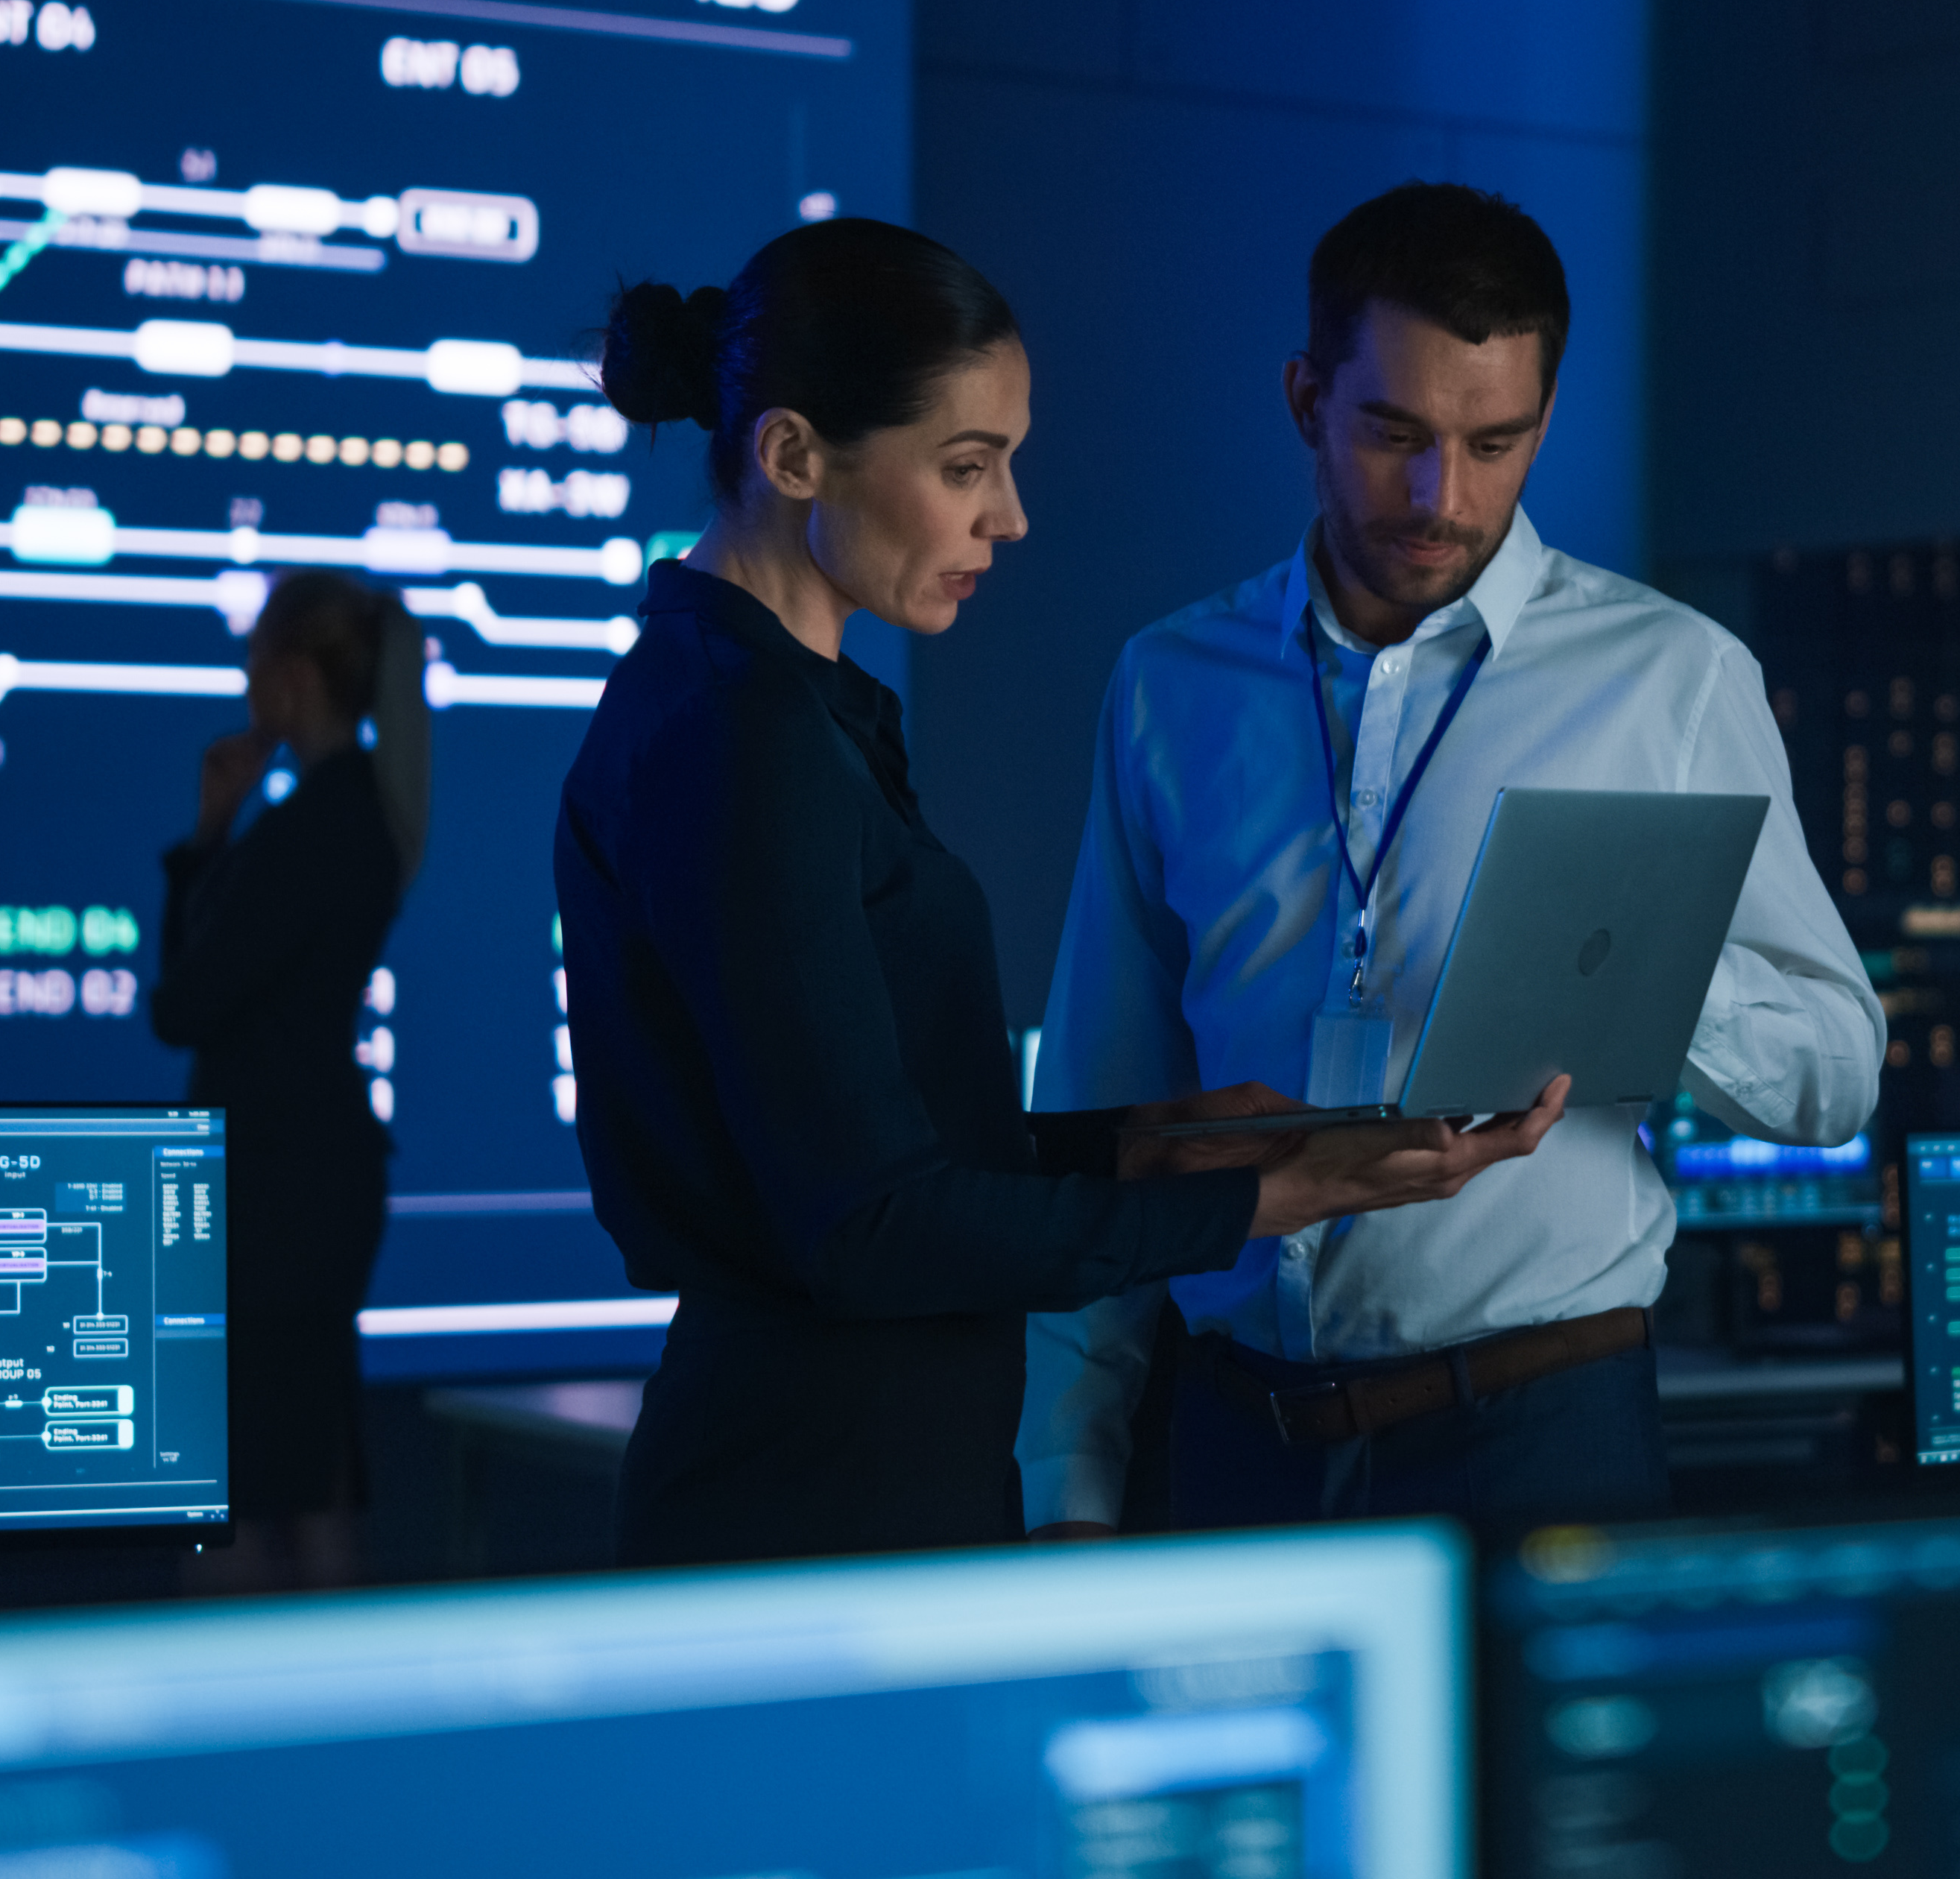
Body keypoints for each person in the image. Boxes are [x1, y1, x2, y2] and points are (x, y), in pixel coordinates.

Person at [560, 218, 1560, 1568]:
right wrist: (1266, 1203)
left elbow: (875, 1153)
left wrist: (1154, 1143)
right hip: (815, 1501)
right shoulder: (741, 736)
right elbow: (869, 1225)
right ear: (792, 455)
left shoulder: (776, 709)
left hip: (851, 1471)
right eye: (967, 467)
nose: (1010, 517)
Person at [1019, 182, 1881, 1536]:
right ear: (1306, 399)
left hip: (1545, 1429)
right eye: (1395, 435)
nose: (1443, 497)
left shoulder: (1672, 677)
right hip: (1234, 1440)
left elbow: (1836, 1076)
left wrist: (1640, 968)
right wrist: (1063, 1484)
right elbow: (1106, 1097)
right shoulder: (1169, 684)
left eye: (1497, 443)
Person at [152, 569, 429, 1588]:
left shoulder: (320, 824)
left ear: (296, 674)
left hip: (276, 1188)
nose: (244, 673)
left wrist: (205, 845)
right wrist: (213, 836)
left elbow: (182, 1006)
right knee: (298, 1475)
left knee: (236, 1488)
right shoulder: (353, 812)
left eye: (257, 653)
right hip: (301, 1182)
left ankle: (230, 1731)